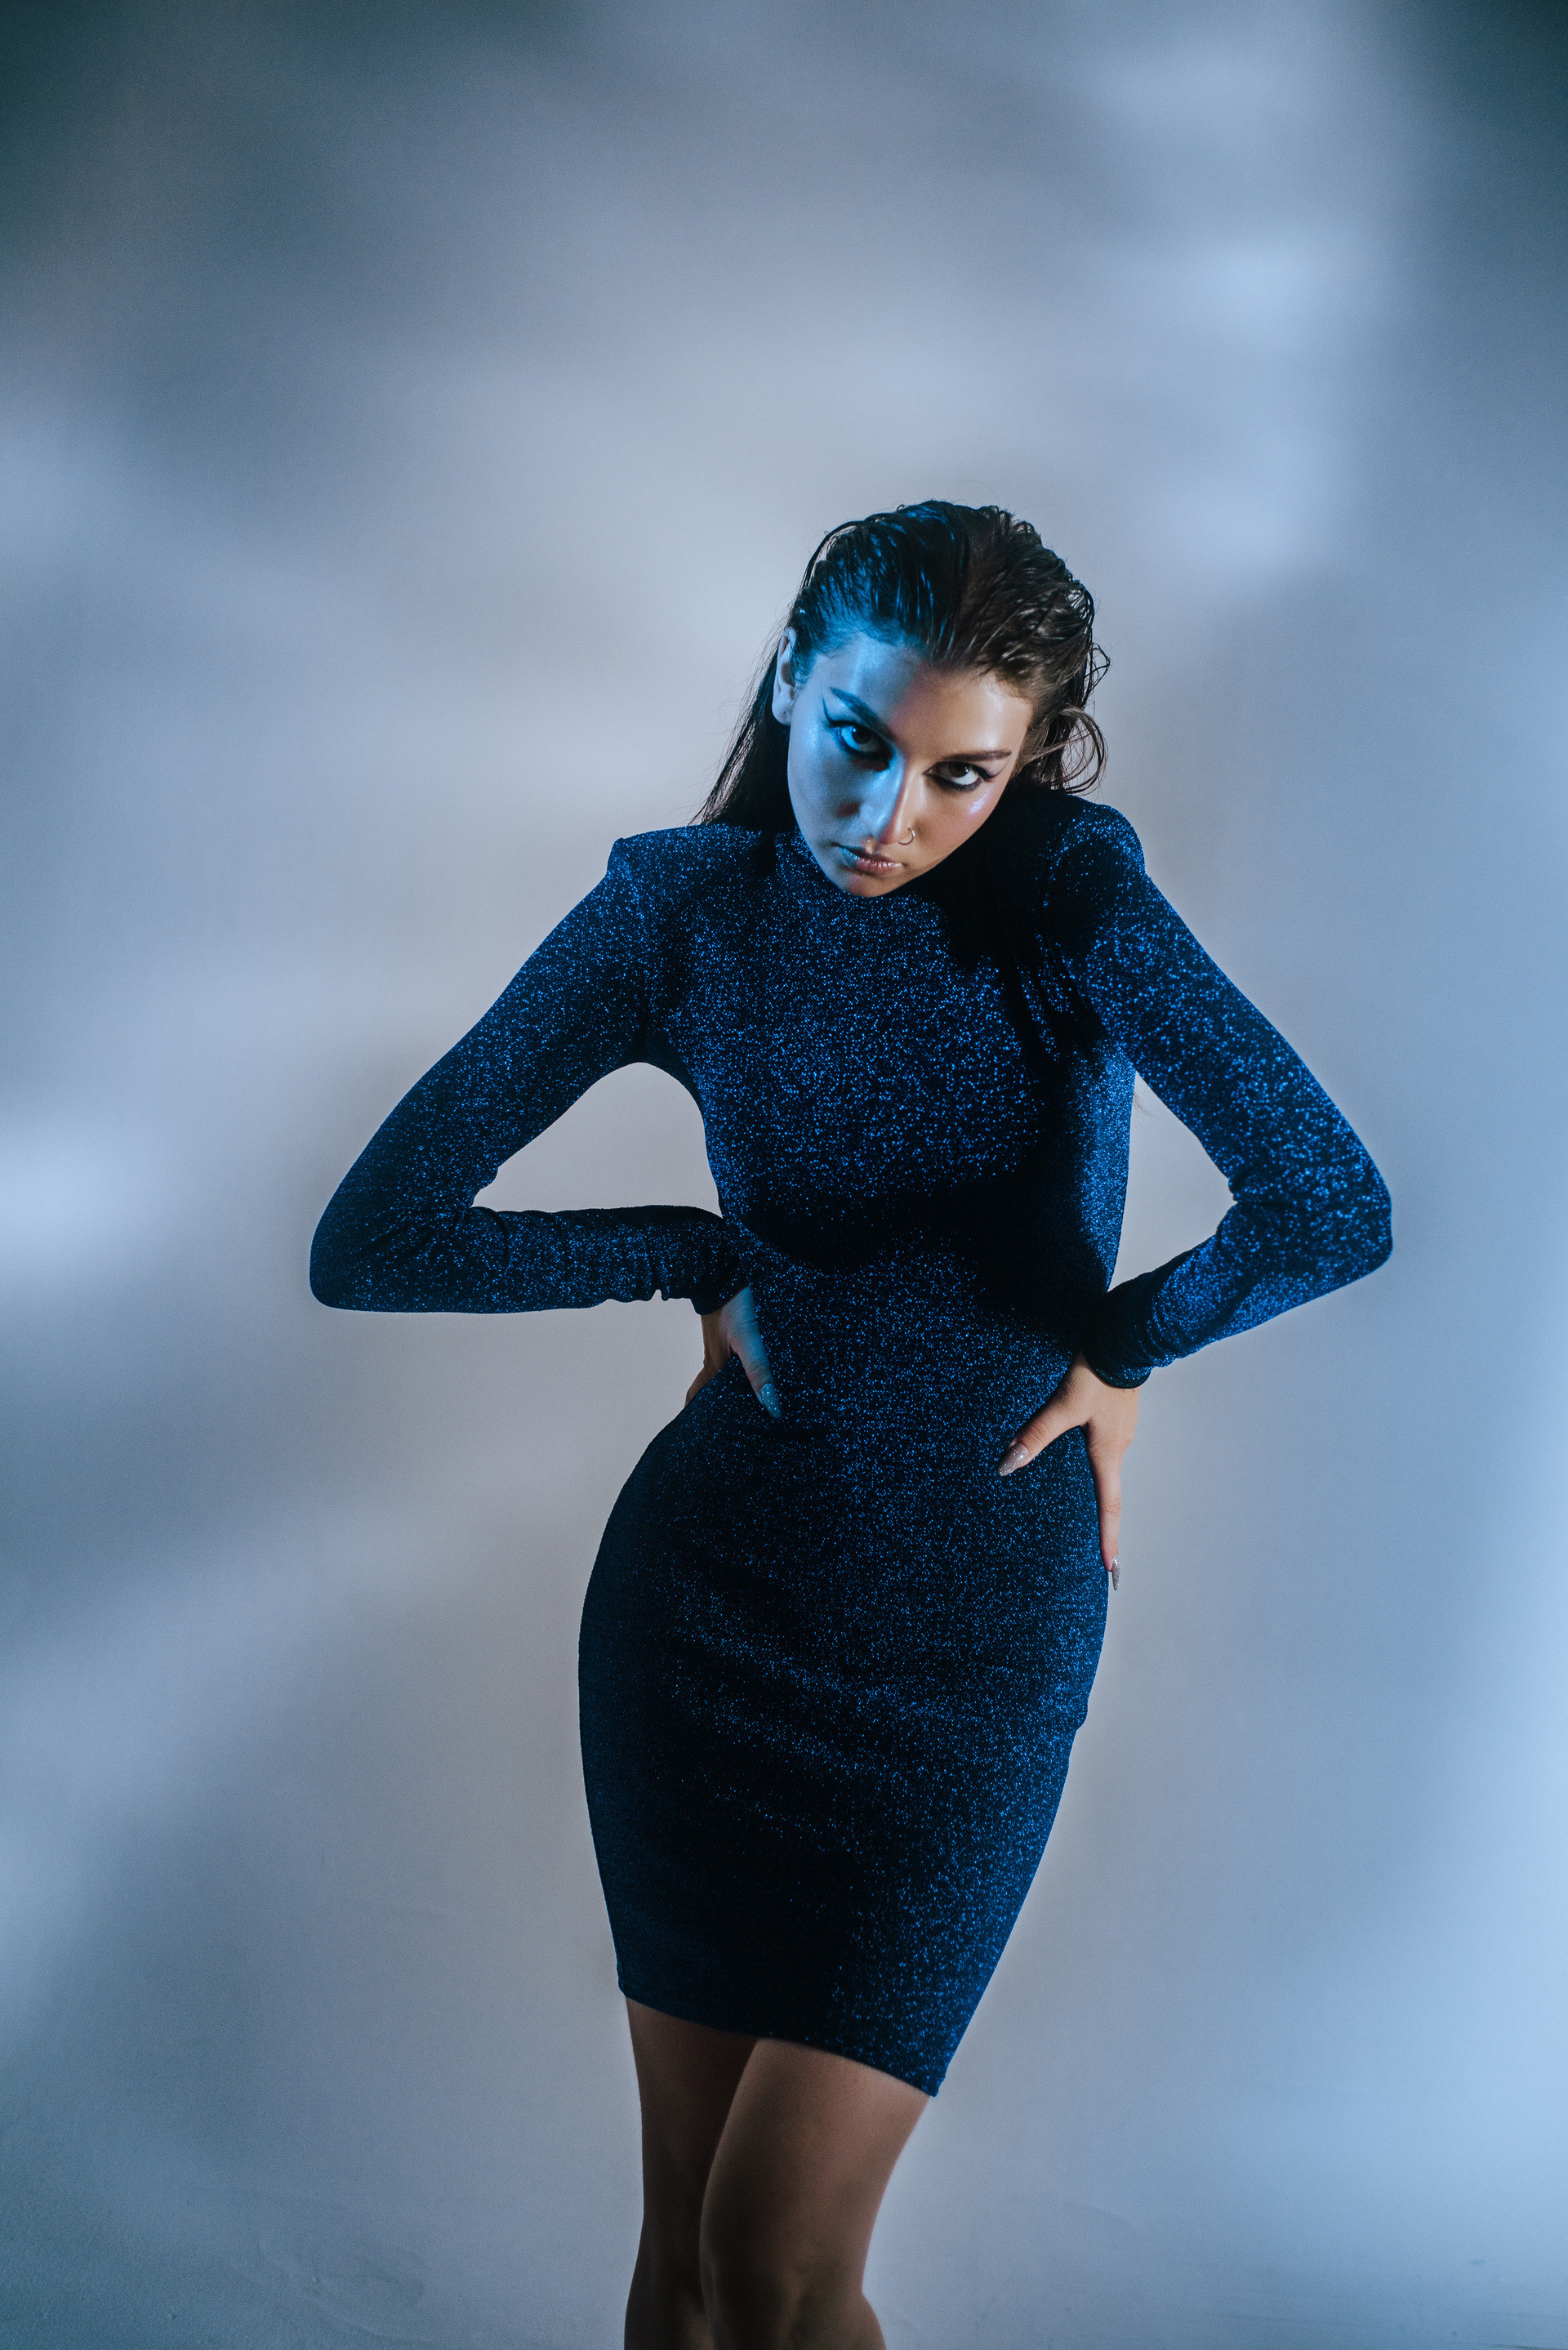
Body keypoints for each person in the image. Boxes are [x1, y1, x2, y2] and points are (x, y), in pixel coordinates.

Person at [310, 502, 1392, 2350]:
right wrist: (686, 1250)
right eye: (858, 741)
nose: (892, 814)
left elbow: (1326, 1198)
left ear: (1028, 761)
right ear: (791, 680)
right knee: (683, 2263)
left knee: (778, 2258)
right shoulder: (679, 913)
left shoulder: (1071, 903)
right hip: (711, 1609)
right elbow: (375, 1238)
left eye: (963, 773)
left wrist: (1128, 1341)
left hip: (972, 1640)